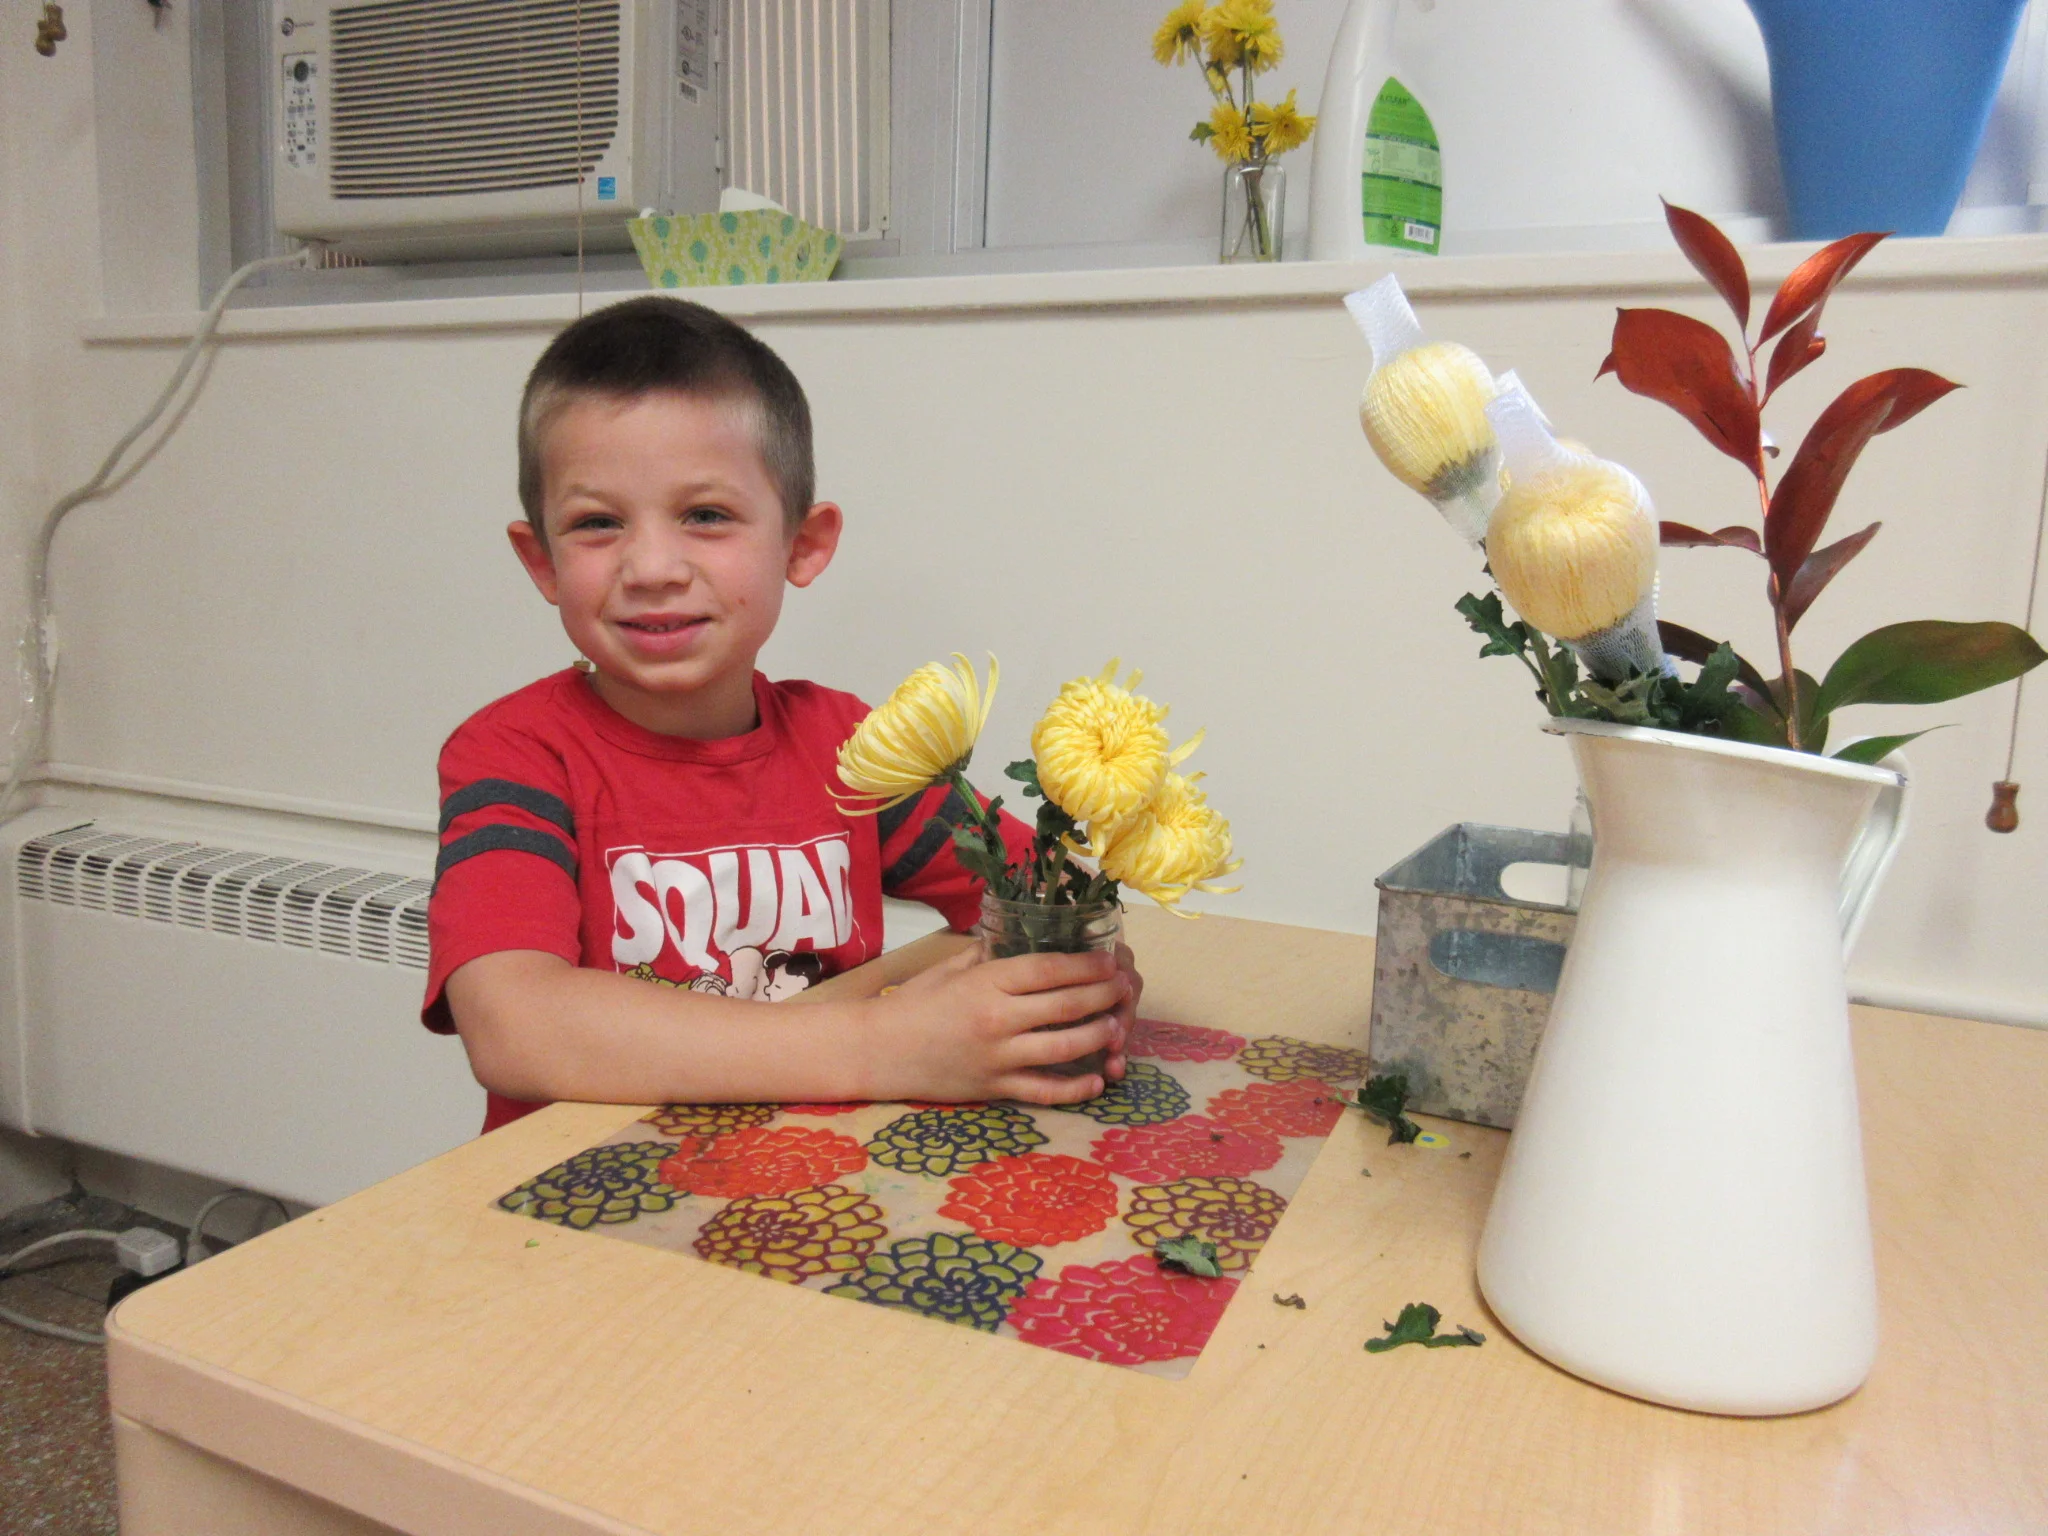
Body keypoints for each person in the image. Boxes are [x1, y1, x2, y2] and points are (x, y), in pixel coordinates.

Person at [424, 297, 1139, 1132]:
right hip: (583, 1213)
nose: (652, 566)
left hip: (822, 1190)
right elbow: (514, 1028)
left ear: (802, 544)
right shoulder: (513, 754)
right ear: (540, 559)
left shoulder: (849, 747)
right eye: (596, 524)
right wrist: (884, 1044)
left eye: (706, 516)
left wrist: (1073, 984)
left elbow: (1048, 895)